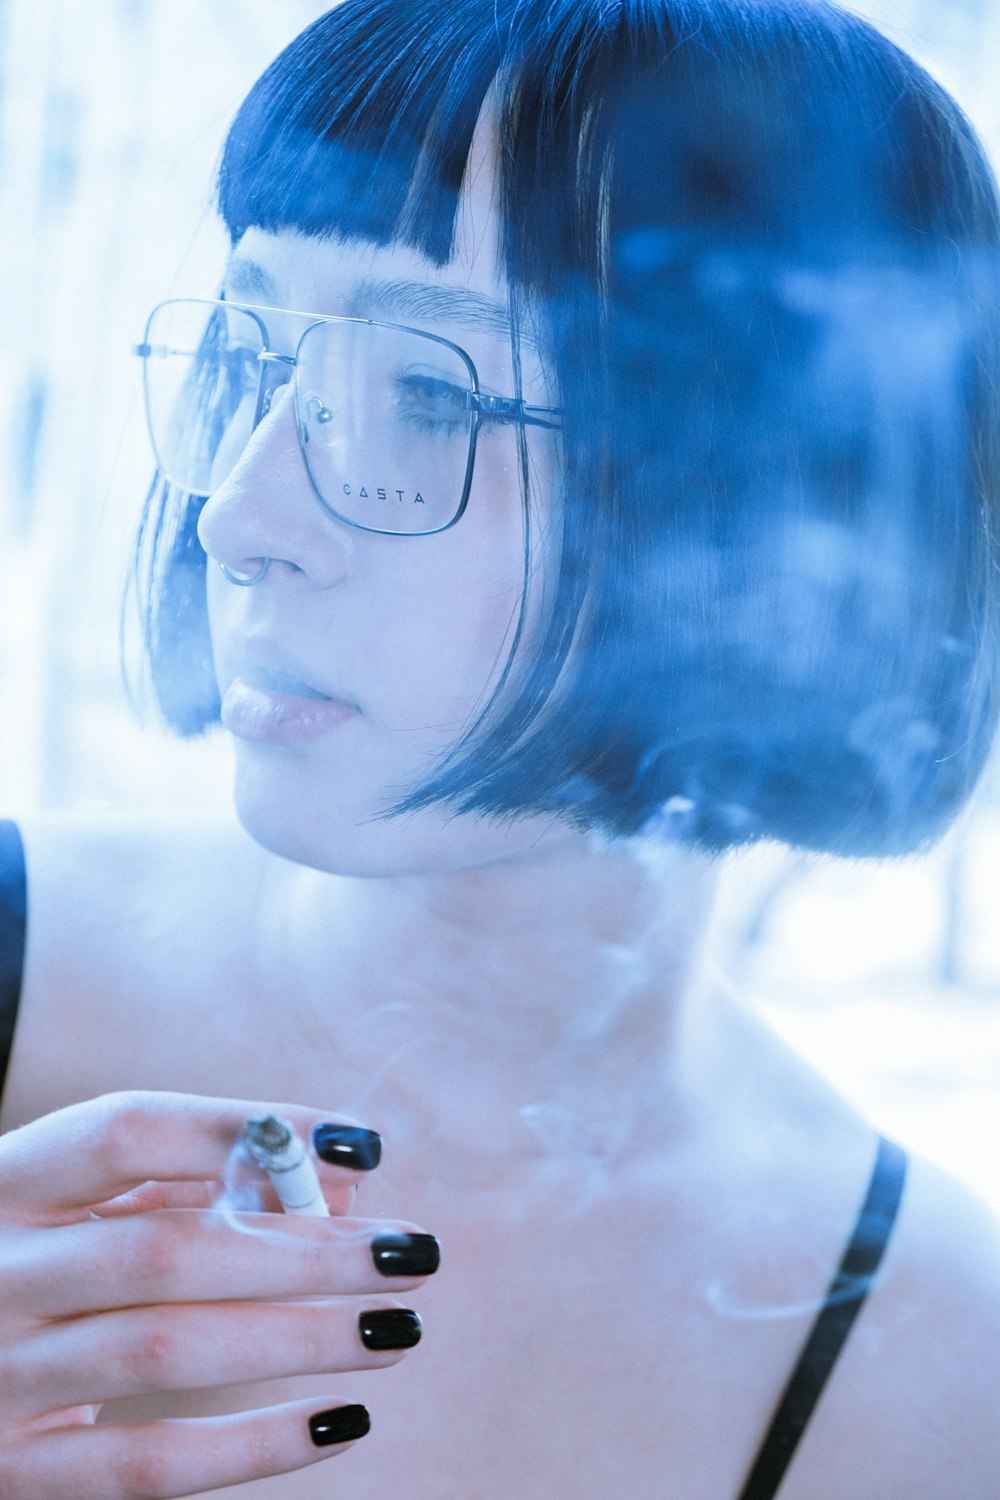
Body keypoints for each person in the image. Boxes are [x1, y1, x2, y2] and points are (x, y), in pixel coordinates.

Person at [2, 0, 1000, 1495]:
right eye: (255, 351)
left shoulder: (936, 1366)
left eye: (427, 395)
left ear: (762, 508)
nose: (240, 520)